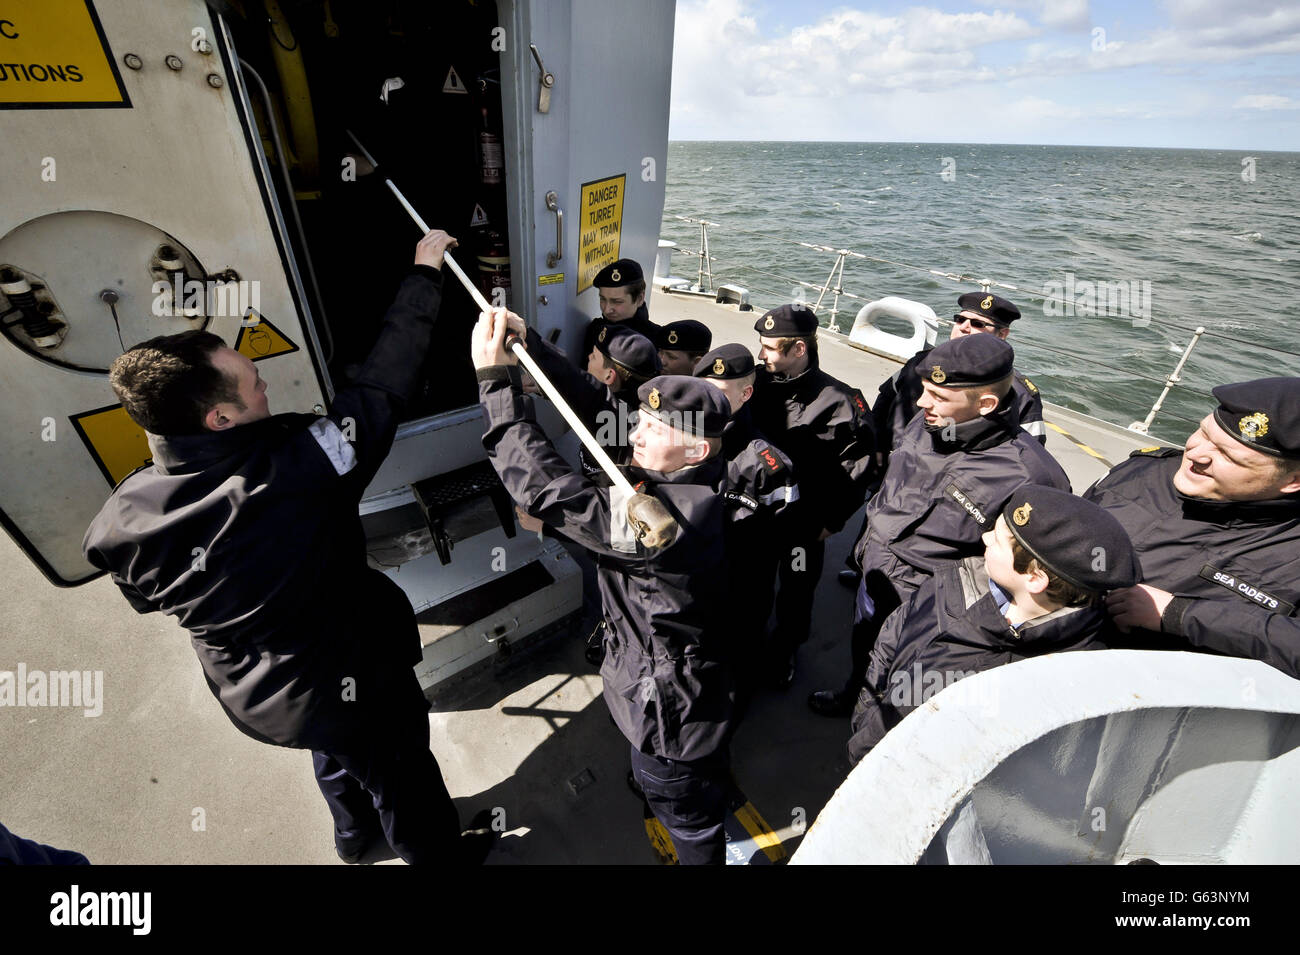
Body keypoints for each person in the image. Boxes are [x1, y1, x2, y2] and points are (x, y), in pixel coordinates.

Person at [83, 230, 494, 866]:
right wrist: (424, 277)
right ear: (219, 419)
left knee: (335, 752)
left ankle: (355, 840)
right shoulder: (297, 468)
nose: (266, 385)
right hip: (349, 677)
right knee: (403, 778)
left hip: (265, 695)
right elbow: (379, 393)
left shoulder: (118, 518)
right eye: (252, 384)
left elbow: (143, 601)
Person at [473, 307, 736, 864]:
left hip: (669, 715)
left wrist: (495, 383)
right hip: (674, 674)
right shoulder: (689, 475)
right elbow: (600, 406)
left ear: (696, 449)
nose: (635, 432)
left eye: (654, 428)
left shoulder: (666, 524)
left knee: (683, 814)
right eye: (641, 419)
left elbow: (548, 489)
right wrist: (535, 349)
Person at [810, 333, 1071, 717]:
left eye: (939, 396)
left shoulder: (1030, 476)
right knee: (866, 644)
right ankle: (855, 694)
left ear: (986, 403)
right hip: (877, 569)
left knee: (913, 678)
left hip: (932, 601)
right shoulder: (926, 422)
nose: (921, 402)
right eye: (925, 390)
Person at [846, 485, 1140, 764]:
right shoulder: (956, 580)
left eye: (998, 540)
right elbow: (893, 634)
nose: (984, 538)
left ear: (1035, 579)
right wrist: (867, 713)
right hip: (870, 736)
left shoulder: (1064, 675)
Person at [1085, 377, 1300, 672]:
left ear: (1293, 481)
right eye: (1204, 432)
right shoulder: (1141, 471)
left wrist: (1180, 615)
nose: (1196, 454)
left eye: (1227, 456)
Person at [839, 290, 1045, 588]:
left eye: (978, 324)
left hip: (956, 489)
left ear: (1002, 335)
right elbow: (885, 403)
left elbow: (1027, 453)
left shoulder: (1021, 393)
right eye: (960, 319)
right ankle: (860, 567)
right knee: (881, 516)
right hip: (900, 466)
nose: (964, 327)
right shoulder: (921, 364)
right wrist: (876, 454)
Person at [747, 304, 878, 687]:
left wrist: (830, 522)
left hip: (803, 527)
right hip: (754, 517)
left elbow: (861, 470)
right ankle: (746, 645)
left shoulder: (840, 403)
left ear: (799, 349)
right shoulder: (752, 385)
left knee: (796, 591)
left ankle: (782, 654)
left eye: (770, 348)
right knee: (750, 585)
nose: (761, 355)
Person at [693, 343, 799, 700]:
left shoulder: (767, 466)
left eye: (719, 393)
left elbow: (787, 537)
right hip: (692, 582)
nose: (707, 402)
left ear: (746, 393)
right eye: (702, 390)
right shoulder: (679, 441)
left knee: (739, 655)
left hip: (743, 584)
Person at [582, 258, 660, 357]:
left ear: (640, 299)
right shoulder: (595, 330)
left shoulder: (658, 339)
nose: (607, 309)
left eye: (617, 302)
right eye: (603, 299)